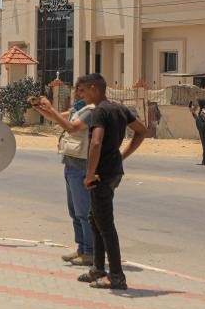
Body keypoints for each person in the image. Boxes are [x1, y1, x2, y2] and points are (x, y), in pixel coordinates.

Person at [78, 73, 147, 290]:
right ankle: (98, 269)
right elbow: (141, 131)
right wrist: (121, 155)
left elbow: (96, 143)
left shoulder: (100, 111)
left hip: (102, 174)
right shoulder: (119, 109)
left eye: (83, 90)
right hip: (114, 171)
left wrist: (89, 175)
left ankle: (117, 276)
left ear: (93, 88)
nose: (82, 95)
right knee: (95, 218)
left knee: (105, 224)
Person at [29, 86, 95, 267]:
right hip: (71, 164)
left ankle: (90, 252)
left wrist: (50, 109)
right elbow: (59, 119)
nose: (77, 94)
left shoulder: (91, 112)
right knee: (74, 212)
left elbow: (71, 127)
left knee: (84, 212)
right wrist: (42, 110)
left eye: (82, 90)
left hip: (82, 166)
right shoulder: (79, 110)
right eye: (77, 90)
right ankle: (81, 248)